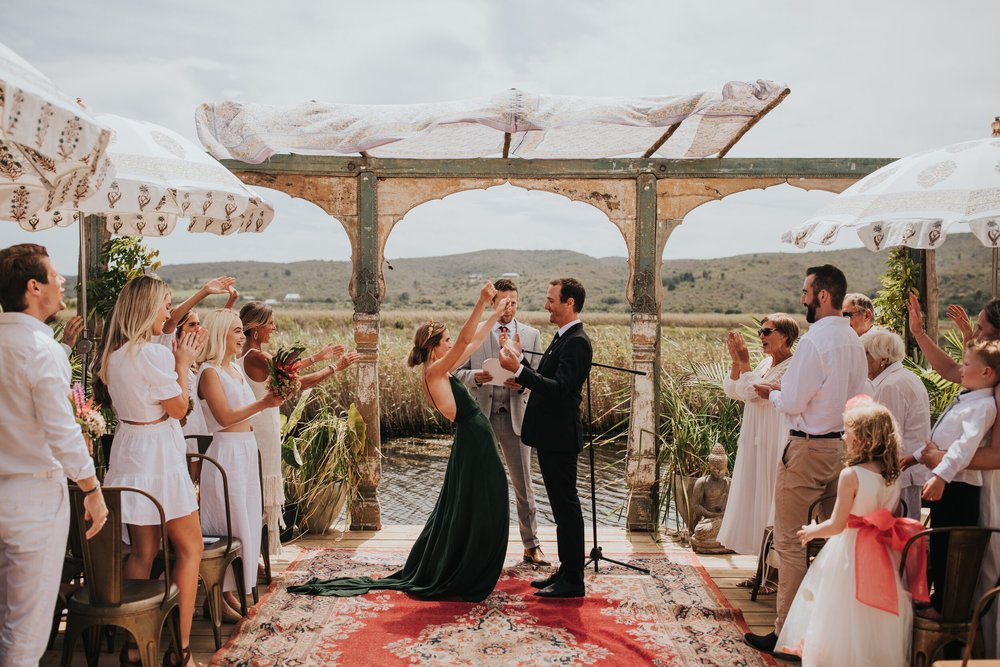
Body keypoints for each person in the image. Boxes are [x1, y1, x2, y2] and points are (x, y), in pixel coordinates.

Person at [288, 283, 510, 601]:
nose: (451, 343)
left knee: (469, 503)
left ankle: (464, 561)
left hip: (472, 438)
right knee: (483, 501)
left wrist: (494, 314)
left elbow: (471, 342)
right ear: (434, 346)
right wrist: (481, 302)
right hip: (474, 440)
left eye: (450, 340)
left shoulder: (441, 368)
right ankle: (465, 566)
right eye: (446, 340)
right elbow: (465, 341)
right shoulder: (435, 371)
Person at [745, 265, 867, 654]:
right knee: (831, 538)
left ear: (822, 296)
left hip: (808, 448)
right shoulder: (853, 340)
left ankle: (786, 635)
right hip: (843, 449)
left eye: (805, 292)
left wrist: (772, 394)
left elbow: (795, 401)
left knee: (792, 539)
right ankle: (824, 631)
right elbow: (861, 394)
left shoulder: (815, 342)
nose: (802, 299)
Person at [0, 244, 108, 667]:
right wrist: (91, 488)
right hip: (33, 500)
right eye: (55, 275)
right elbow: (60, 431)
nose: (63, 282)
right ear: (34, 287)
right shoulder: (40, 350)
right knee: (26, 630)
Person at [96, 275, 206, 666]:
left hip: (129, 453)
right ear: (146, 308)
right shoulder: (154, 355)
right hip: (159, 457)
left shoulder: (114, 355)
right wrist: (183, 364)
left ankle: (133, 646)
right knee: (190, 549)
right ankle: (181, 649)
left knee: (142, 551)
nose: (168, 313)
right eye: (165, 305)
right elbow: (179, 410)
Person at [775, 399, 925, 666]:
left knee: (839, 607)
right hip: (881, 553)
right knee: (871, 611)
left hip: (849, 551)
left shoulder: (851, 475)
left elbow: (837, 524)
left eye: (848, 432)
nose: (843, 437)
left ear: (865, 440)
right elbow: (885, 515)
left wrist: (812, 530)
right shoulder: (892, 476)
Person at [913, 297, 1000, 655]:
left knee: (982, 566)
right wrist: (919, 333)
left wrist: (943, 463)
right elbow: (951, 368)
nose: (974, 332)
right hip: (966, 477)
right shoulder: (982, 380)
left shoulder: (993, 393)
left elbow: (995, 454)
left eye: (980, 327)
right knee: (965, 562)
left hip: (982, 485)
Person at [238, 301, 360, 556]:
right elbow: (297, 383)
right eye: (271, 323)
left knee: (256, 486)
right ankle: (257, 554)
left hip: (254, 425)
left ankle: (255, 554)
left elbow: (283, 370)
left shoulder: (243, 354)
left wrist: (317, 357)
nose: (274, 328)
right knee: (263, 489)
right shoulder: (258, 356)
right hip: (262, 428)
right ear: (256, 328)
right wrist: (335, 367)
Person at [499, 277, 593, 598]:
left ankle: (574, 580)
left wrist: (520, 371)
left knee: (567, 508)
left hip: (561, 436)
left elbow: (561, 389)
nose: (546, 305)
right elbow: (545, 377)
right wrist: (519, 361)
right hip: (550, 436)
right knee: (560, 508)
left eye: (551, 300)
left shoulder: (578, 342)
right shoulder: (562, 337)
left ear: (570, 303)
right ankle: (565, 571)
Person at [196, 309, 283, 618]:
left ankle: (230, 593)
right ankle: (217, 598)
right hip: (226, 453)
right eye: (236, 331)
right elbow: (223, 417)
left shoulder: (232, 368)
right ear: (220, 333)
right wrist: (263, 403)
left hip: (245, 449)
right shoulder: (209, 372)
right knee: (226, 523)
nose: (241, 337)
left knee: (244, 522)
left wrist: (271, 400)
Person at [455, 277, 547, 566]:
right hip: (482, 418)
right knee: (479, 483)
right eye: (504, 303)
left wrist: (523, 384)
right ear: (493, 303)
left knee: (524, 486)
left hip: (517, 418)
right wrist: (475, 377)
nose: (509, 308)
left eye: (514, 303)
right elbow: (456, 371)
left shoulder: (531, 335)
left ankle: (531, 545)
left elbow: (539, 377)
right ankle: (476, 545)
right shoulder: (478, 333)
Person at [720, 314, 797, 563]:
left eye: (767, 331)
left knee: (770, 495)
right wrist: (736, 362)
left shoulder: (793, 367)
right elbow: (735, 391)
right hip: (755, 438)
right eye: (760, 332)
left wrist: (745, 363)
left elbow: (754, 393)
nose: (761, 336)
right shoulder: (764, 365)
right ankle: (761, 566)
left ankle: (772, 568)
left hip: (774, 438)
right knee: (756, 495)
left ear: (785, 336)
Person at [863, 330, 931, 520]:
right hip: (905, 469)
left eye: (866, 353)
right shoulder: (902, 377)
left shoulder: (891, 385)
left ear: (883, 358)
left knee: (897, 528)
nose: (861, 359)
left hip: (898, 472)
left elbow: (886, 437)